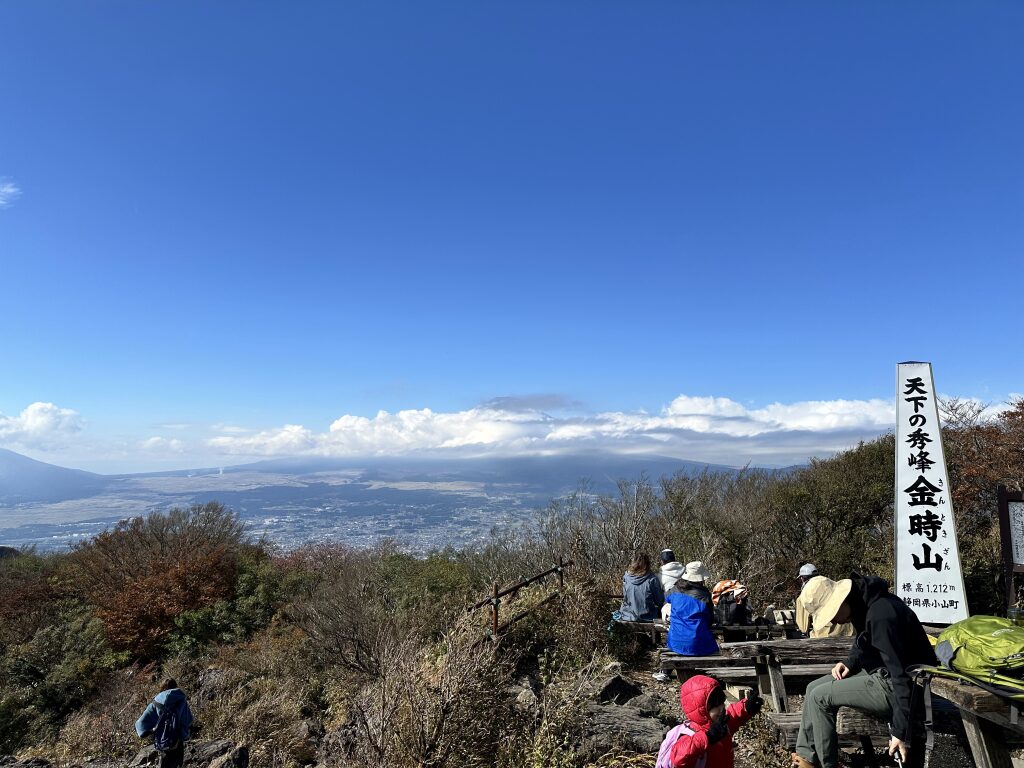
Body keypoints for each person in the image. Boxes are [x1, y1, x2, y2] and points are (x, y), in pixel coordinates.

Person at [790, 575, 936, 768]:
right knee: (812, 687)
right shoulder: (863, 605)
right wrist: (850, 661)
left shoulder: (882, 614)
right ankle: (806, 759)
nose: (833, 620)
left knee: (819, 696)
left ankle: (828, 764)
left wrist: (900, 732)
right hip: (880, 674)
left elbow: (901, 675)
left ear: (841, 600)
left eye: (831, 614)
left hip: (898, 687)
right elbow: (864, 641)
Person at [656, 674, 762, 768]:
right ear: (701, 709)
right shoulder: (689, 734)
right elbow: (679, 757)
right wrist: (708, 737)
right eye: (715, 705)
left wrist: (746, 707)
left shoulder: (719, 725)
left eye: (721, 702)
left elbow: (732, 717)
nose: (721, 707)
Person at [662, 561, 718, 656]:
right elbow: (709, 621)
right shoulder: (705, 596)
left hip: (675, 641)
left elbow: (666, 600)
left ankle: (667, 670)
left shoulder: (674, 590)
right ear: (701, 579)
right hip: (698, 643)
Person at [136, 677, 194, 768]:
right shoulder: (181, 700)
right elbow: (188, 720)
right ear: (175, 686)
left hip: (161, 740)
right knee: (177, 764)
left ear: (162, 688)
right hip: (177, 741)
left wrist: (150, 731)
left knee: (164, 764)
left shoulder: (155, 703)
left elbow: (141, 723)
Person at [617, 553, 665, 622]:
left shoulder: (626, 577)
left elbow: (626, 597)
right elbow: (659, 601)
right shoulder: (652, 579)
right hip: (648, 617)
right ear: (647, 564)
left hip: (628, 616)